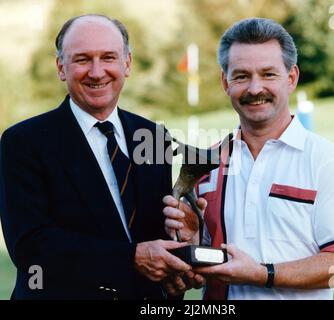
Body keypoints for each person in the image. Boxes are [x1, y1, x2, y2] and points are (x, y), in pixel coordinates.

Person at [163, 17, 334, 300]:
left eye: (268, 74)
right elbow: (199, 271)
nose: (254, 88)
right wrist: (193, 242)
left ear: (292, 78)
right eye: (241, 76)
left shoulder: (325, 161)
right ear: (226, 82)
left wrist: (262, 273)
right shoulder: (206, 162)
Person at [0, 14, 196, 300]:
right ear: (61, 68)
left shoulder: (153, 136)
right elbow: (31, 247)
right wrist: (131, 258)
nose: (96, 71)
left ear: (126, 64)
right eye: (82, 59)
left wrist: (182, 245)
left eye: (108, 57)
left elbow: (152, 234)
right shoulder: (23, 142)